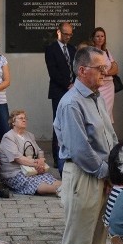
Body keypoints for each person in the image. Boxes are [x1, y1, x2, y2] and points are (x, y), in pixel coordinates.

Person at [55, 46, 118, 244]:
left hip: (103, 174)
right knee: (78, 241)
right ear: (83, 71)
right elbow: (80, 149)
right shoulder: (71, 103)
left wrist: (115, 168)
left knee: (97, 237)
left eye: (105, 68)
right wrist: (106, 171)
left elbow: (110, 136)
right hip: (84, 175)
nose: (105, 73)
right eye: (100, 68)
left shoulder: (96, 98)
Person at [0, 109, 61, 195]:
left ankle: (71, 189)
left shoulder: (29, 135)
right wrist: (36, 163)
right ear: (13, 122)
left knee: (50, 179)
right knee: (36, 184)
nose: (24, 120)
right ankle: (60, 191)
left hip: (32, 169)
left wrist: (41, 160)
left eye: (25, 118)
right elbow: (18, 158)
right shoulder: (8, 137)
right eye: (20, 118)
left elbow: (39, 151)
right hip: (14, 173)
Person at [45, 22, 76, 172]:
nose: (68, 37)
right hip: (59, 90)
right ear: (58, 32)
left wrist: (75, 84)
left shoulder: (72, 49)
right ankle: (58, 158)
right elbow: (53, 71)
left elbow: (75, 68)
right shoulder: (51, 49)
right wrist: (67, 85)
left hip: (73, 90)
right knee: (58, 123)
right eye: (65, 34)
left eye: (70, 34)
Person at [88, 27, 119, 121]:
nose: (100, 38)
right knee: (98, 110)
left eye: (102, 36)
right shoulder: (90, 52)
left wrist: (106, 73)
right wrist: (105, 72)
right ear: (93, 38)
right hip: (97, 85)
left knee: (108, 111)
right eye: (97, 36)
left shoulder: (107, 52)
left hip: (109, 85)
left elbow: (116, 69)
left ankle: (107, 134)